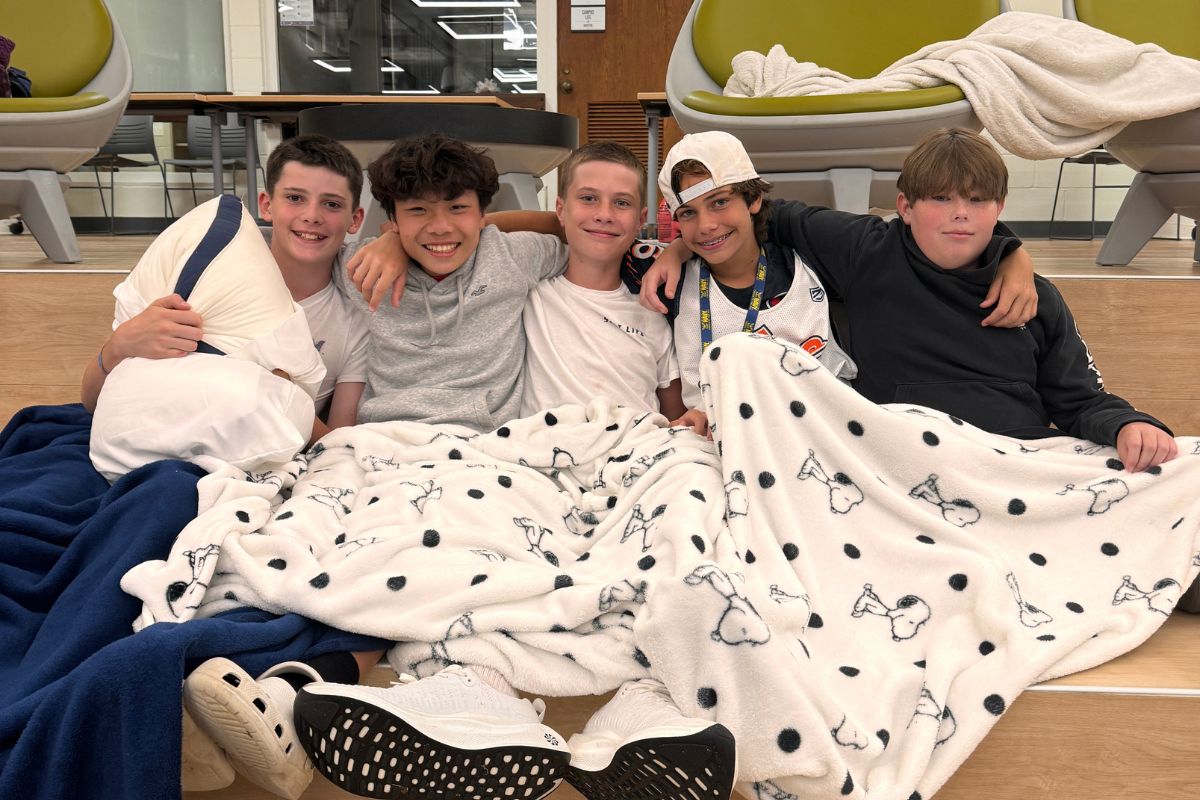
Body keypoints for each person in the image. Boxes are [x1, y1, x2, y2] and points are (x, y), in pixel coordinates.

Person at [290, 136, 736, 800]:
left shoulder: (634, 296)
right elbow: (473, 229)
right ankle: (472, 687)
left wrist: (675, 250)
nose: (602, 214)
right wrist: (391, 238)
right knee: (466, 520)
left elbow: (673, 401)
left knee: (694, 497)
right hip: (502, 453)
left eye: (620, 204)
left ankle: (648, 702)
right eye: (587, 199)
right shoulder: (482, 268)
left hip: (607, 446)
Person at [80, 134, 388, 799]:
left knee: (304, 557)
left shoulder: (353, 317)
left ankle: (224, 706)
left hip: (270, 464)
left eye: (332, 204)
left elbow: (342, 442)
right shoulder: (208, 277)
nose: (312, 217)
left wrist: (283, 396)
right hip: (166, 456)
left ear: (355, 220)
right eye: (297, 199)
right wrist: (117, 350)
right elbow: (94, 403)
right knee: (147, 516)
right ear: (266, 204)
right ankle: (144, 705)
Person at [642, 128, 1177, 472]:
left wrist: (1130, 425)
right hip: (898, 464)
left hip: (1017, 459)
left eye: (976, 201)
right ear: (905, 206)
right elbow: (761, 215)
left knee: (1178, 469)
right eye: (940, 199)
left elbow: (1080, 401)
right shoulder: (864, 251)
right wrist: (676, 250)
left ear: (1000, 208)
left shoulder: (1035, 297)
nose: (959, 214)